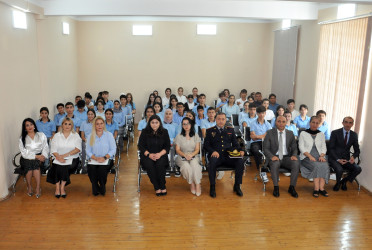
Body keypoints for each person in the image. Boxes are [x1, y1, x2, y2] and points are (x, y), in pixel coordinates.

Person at [204, 113, 244, 198]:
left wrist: (240, 150)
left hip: (228, 156)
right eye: (219, 119)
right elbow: (206, 145)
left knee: (240, 161)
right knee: (212, 161)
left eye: (223, 119)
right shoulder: (210, 131)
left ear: (226, 120)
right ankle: (212, 187)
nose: (221, 121)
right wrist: (212, 151)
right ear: (215, 120)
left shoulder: (230, 130)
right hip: (216, 155)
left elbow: (235, 143)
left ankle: (237, 186)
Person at [263, 116, 300, 198]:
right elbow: (265, 148)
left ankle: (292, 187)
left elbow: (294, 148)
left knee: (296, 163)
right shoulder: (269, 133)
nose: (281, 123)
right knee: (275, 164)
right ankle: (276, 187)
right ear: (276, 122)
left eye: (283, 122)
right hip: (274, 157)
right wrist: (271, 156)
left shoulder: (290, 133)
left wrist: (294, 155)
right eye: (279, 121)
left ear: (286, 123)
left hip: (287, 157)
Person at [48, 117, 82, 198]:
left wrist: (65, 155)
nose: (67, 126)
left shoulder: (76, 135)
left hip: (72, 158)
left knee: (64, 167)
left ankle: (62, 187)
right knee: (57, 166)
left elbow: (77, 149)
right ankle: (57, 188)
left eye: (69, 124)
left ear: (72, 126)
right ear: (62, 125)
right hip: (57, 158)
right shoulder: (56, 136)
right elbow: (53, 150)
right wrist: (59, 157)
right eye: (65, 124)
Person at [138, 115, 171, 196]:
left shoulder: (164, 132)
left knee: (160, 165)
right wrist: (149, 154)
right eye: (152, 122)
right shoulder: (144, 132)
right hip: (147, 155)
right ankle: (157, 187)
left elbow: (167, 146)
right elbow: (141, 146)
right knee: (150, 165)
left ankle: (162, 185)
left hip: (161, 154)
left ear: (160, 123)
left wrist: (159, 154)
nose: (154, 124)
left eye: (156, 122)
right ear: (149, 123)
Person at [299, 116, 329, 197]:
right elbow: (301, 147)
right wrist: (310, 156)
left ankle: (322, 188)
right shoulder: (303, 133)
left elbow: (324, 147)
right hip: (306, 157)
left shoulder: (321, 134)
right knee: (317, 165)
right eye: (313, 122)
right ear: (310, 123)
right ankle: (316, 188)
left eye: (317, 123)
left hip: (319, 156)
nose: (315, 124)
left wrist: (322, 156)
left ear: (319, 124)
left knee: (325, 165)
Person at [329, 116, 361, 191]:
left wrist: (353, 157)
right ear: (343, 123)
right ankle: (337, 183)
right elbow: (331, 148)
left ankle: (343, 182)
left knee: (358, 169)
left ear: (352, 124)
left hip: (346, 159)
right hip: (334, 158)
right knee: (339, 169)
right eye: (346, 122)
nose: (348, 124)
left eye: (350, 123)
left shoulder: (354, 135)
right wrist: (338, 159)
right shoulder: (335, 133)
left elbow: (357, 150)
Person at [19, 118, 49, 198]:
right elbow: (24, 152)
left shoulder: (41, 135)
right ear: (25, 128)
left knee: (35, 166)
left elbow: (45, 147)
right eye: (27, 125)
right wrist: (36, 156)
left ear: (34, 125)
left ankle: (38, 187)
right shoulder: (22, 138)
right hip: (26, 158)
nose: (30, 127)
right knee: (30, 166)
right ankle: (29, 186)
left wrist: (43, 156)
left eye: (31, 124)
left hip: (40, 157)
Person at [86, 117, 117, 196]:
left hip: (106, 159)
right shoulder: (90, 136)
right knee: (91, 169)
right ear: (94, 126)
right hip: (94, 159)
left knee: (101, 170)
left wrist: (105, 157)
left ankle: (102, 186)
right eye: (97, 124)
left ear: (104, 125)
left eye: (101, 123)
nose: (99, 126)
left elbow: (113, 149)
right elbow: (88, 150)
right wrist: (95, 158)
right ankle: (95, 186)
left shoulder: (109, 135)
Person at [174, 117, 202, 196]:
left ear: (191, 125)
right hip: (181, 156)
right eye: (184, 124)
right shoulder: (179, 136)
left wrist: (191, 155)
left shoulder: (195, 135)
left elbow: (197, 149)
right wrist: (185, 155)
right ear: (182, 126)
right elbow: (178, 150)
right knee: (186, 166)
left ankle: (198, 184)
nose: (186, 126)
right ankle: (191, 183)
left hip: (194, 155)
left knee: (194, 165)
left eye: (188, 124)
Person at [250, 105, 272, 170]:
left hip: (265, 142)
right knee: (256, 151)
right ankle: (260, 168)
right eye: (260, 113)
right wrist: (263, 135)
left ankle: (268, 167)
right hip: (255, 143)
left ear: (265, 113)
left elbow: (268, 136)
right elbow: (253, 138)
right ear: (257, 113)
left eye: (263, 113)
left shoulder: (268, 124)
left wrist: (257, 136)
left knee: (272, 150)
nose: (261, 115)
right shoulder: (253, 123)